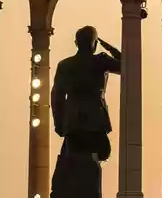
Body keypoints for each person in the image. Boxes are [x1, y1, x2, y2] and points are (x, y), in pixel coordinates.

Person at [51, 25, 121, 161]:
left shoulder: (65, 65)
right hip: (96, 120)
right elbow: (127, 65)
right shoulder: (101, 61)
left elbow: (56, 97)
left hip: (73, 122)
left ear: (76, 43)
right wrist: (110, 48)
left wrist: (59, 122)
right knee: (98, 157)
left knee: (73, 160)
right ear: (94, 43)